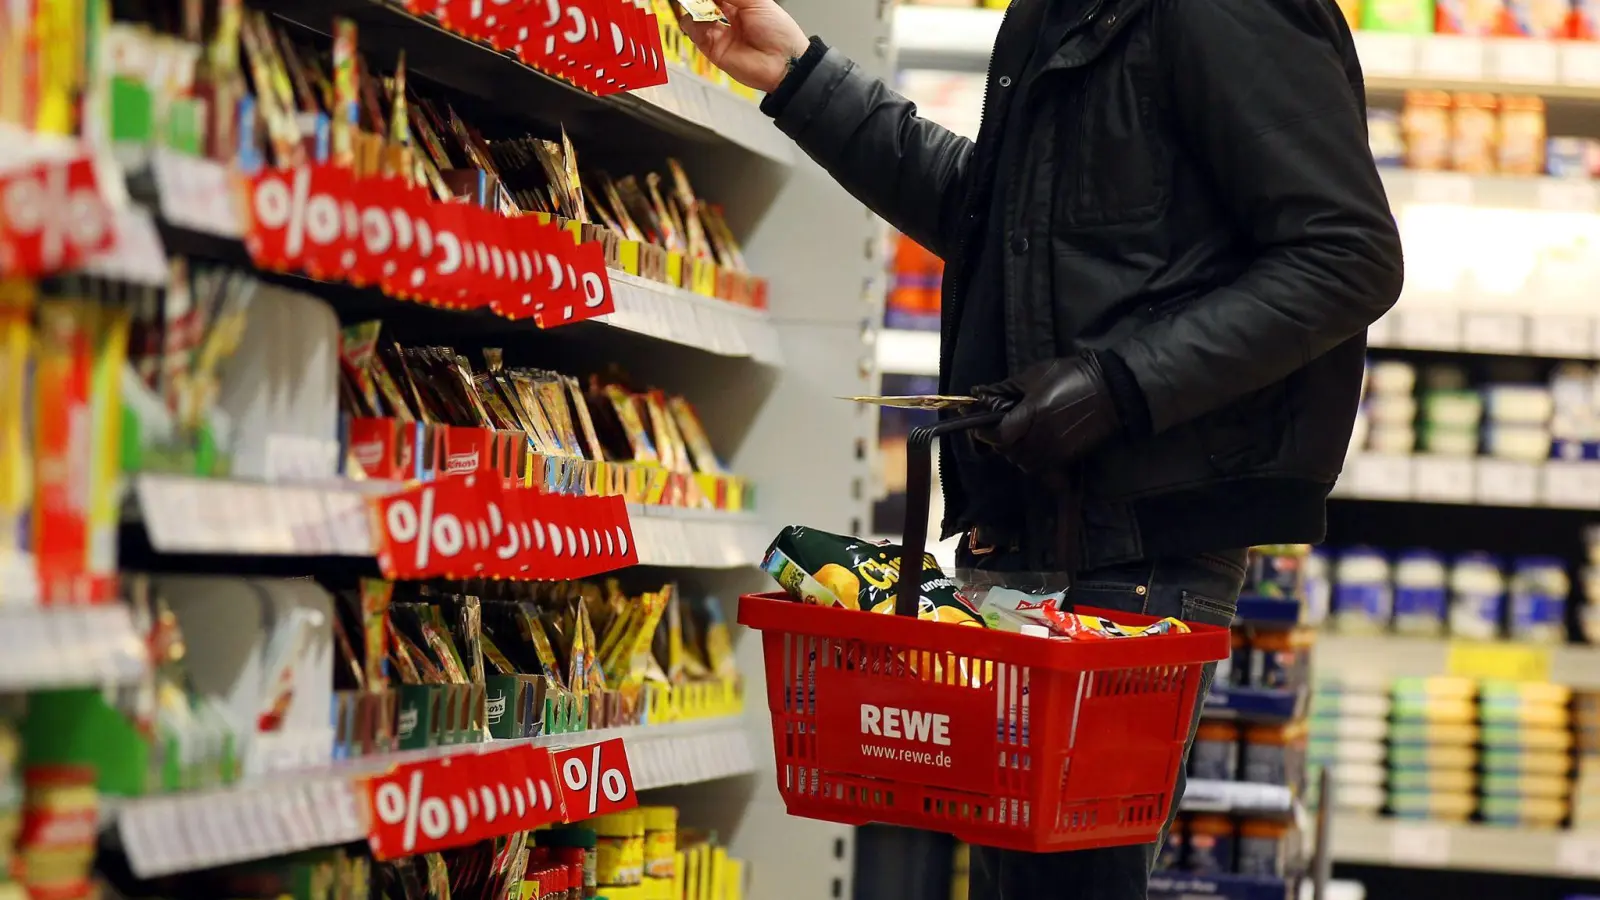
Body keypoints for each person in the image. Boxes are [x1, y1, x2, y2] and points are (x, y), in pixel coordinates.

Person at [681, 0, 1403, 895]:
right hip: (1040, 533)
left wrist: (1117, 384)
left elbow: (1348, 255)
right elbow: (1000, 230)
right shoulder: (1054, 15)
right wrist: (802, 78)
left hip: (1137, 549)